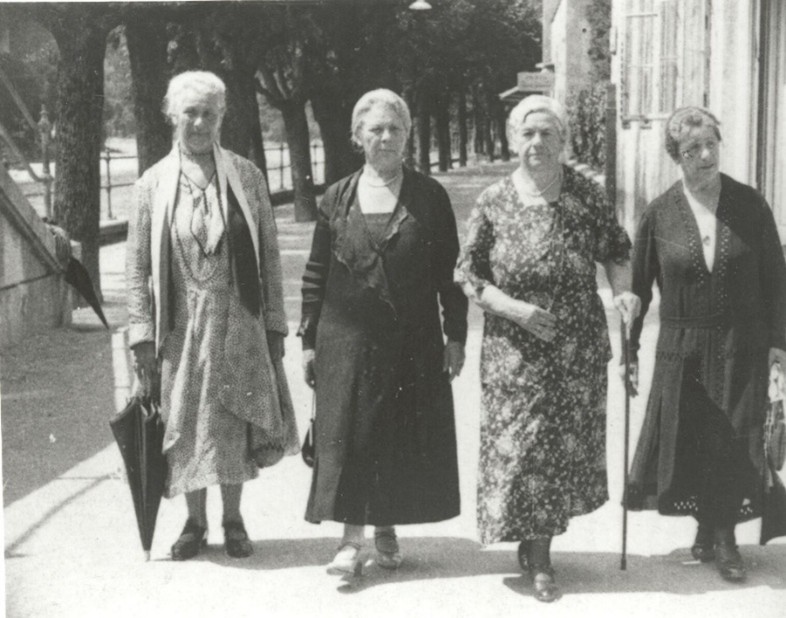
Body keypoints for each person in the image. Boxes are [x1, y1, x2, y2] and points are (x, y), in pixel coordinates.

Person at [455, 95, 640, 603]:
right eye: (528, 133)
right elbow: (468, 273)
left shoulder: (586, 194)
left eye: (548, 134)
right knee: (522, 445)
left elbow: (616, 250)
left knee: (557, 448)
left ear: (563, 141)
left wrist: (623, 292)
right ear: (513, 139)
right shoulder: (494, 199)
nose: (537, 143)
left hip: (575, 346)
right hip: (513, 348)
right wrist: (514, 309)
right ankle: (532, 542)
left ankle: (540, 552)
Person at [126, 70, 299, 561]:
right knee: (187, 422)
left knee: (232, 418)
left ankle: (233, 519)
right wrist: (141, 334)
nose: (200, 123)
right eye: (190, 113)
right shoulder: (152, 184)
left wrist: (275, 324)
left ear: (222, 117)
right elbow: (137, 268)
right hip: (180, 326)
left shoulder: (247, 176)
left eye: (209, 113)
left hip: (237, 318)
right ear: (172, 116)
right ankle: (195, 522)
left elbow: (269, 257)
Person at [299, 88, 468, 576]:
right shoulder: (337, 197)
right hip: (346, 339)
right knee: (350, 434)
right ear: (358, 136)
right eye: (375, 129)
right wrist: (307, 342)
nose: (386, 137)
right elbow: (315, 274)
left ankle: (387, 529)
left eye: (395, 128)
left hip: (411, 337)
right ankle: (350, 541)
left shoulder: (429, 197)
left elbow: (449, 273)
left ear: (408, 136)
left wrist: (455, 335)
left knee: (396, 431)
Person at [626, 106, 786, 583]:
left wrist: (779, 344)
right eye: (692, 148)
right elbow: (637, 288)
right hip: (683, 346)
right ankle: (708, 527)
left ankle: (724, 538)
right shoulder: (659, 214)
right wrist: (629, 351)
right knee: (695, 438)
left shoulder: (750, 204)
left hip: (742, 342)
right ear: (676, 156)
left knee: (732, 438)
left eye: (710, 144)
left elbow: (777, 280)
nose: (704, 155)